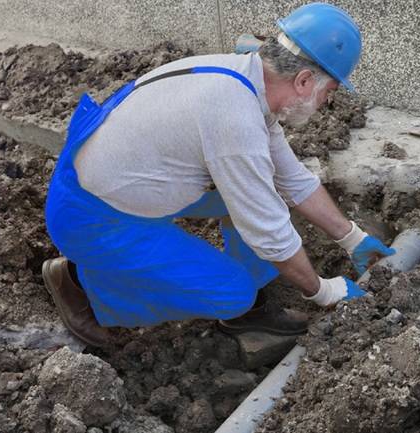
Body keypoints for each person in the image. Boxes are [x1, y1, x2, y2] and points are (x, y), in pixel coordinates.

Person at [41, 2, 395, 347]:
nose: (326, 103)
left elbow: (293, 179)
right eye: (328, 92)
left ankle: (253, 304)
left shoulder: (245, 80)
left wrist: (352, 238)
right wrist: (322, 291)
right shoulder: (234, 118)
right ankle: (78, 282)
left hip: (123, 183)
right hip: (92, 219)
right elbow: (269, 232)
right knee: (233, 292)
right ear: (304, 80)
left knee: (258, 197)